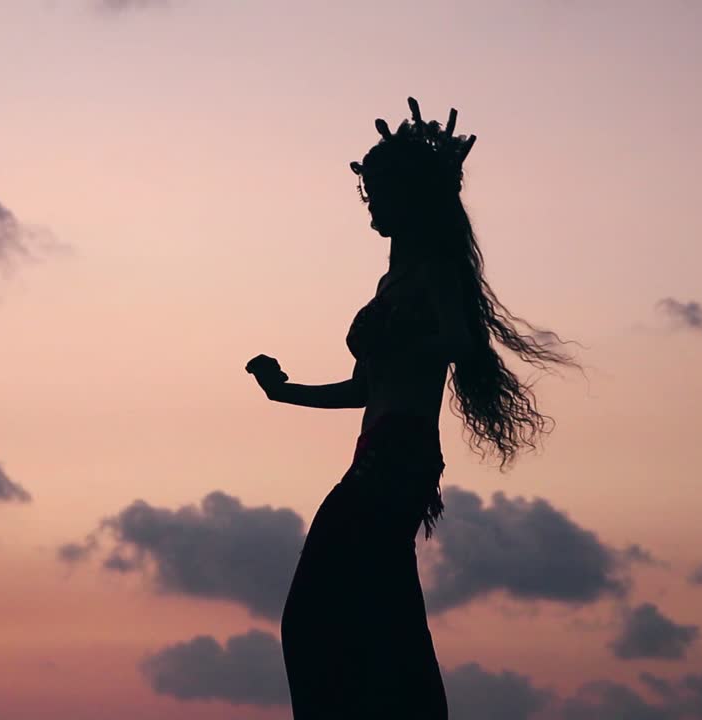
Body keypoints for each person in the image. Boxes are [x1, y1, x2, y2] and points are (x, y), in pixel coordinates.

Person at [246, 96, 582, 718]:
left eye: (379, 191)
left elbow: (460, 341)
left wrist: (407, 340)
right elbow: (363, 389)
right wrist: (284, 391)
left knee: (316, 610)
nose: (371, 202)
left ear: (410, 197)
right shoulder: (388, 285)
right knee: (378, 606)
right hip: (378, 450)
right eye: (368, 191)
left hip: (400, 456)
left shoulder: (434, 272)